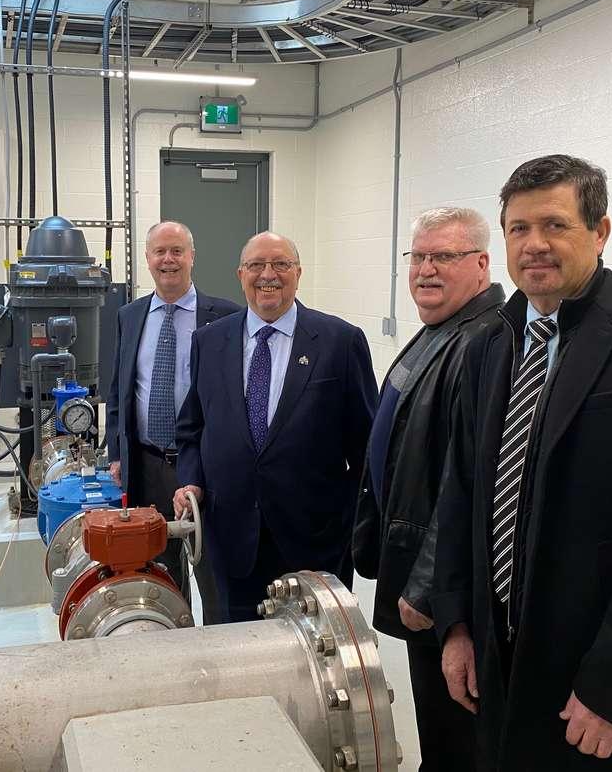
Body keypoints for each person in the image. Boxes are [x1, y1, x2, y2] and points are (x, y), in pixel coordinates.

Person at [432, 155, 612, 770]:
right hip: (498, 657)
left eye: (555, 225)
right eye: (518, 228)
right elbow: (460, 492)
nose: (534, 244)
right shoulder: (489, 344)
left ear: (600, 232)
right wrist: (457, 625)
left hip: (590, 678)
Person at [353, 207, 504, 771]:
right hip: (418, 564)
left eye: (444, 256)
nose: (426, 269)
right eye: (418, 256)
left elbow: (466, 484)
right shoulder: (445, 328)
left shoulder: (484, 340)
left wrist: (428, 587)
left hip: (442, 587)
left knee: (454, 729)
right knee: (439, 724)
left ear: (483, 264)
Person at [174, 231, 377, 622]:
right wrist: (190, 479)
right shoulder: (209, 342)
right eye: (256, 265)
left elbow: (367, 448)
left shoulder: (339, 341)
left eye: (281, 264)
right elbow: (191, 429)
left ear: (298, 273)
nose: (268, 274)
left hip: (315, 544)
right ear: (240, 274)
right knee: (236, 655)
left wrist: (349, 526)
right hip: (230, 539)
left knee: (314, 661)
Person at [105, 221, 241, 619]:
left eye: (177, 251)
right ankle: (172, 640)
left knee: (212, 570)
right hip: (146, 466)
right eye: (160, 252)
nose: (169, 260)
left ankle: (221, 645)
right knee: (159, 571)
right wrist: (117, 452)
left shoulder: (227, 316)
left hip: (205, 468)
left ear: (192, 257)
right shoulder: (129, 316)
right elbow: (118, 391)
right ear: (147, 259)